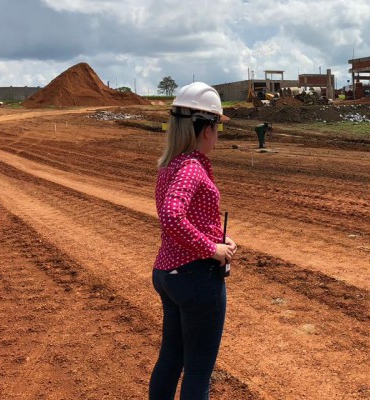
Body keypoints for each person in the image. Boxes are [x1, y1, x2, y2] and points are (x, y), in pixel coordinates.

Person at [149, 81, 237, 400]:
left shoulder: (170, 164)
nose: (217, 136)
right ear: (207, 129)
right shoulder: (191, 167)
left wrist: (219, 238)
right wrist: (212, 249)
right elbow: (173, 216)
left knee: (171, 359)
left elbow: (188, 217)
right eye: (217, 128)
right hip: (196, 278)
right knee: (198, 370)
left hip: (168, 274)